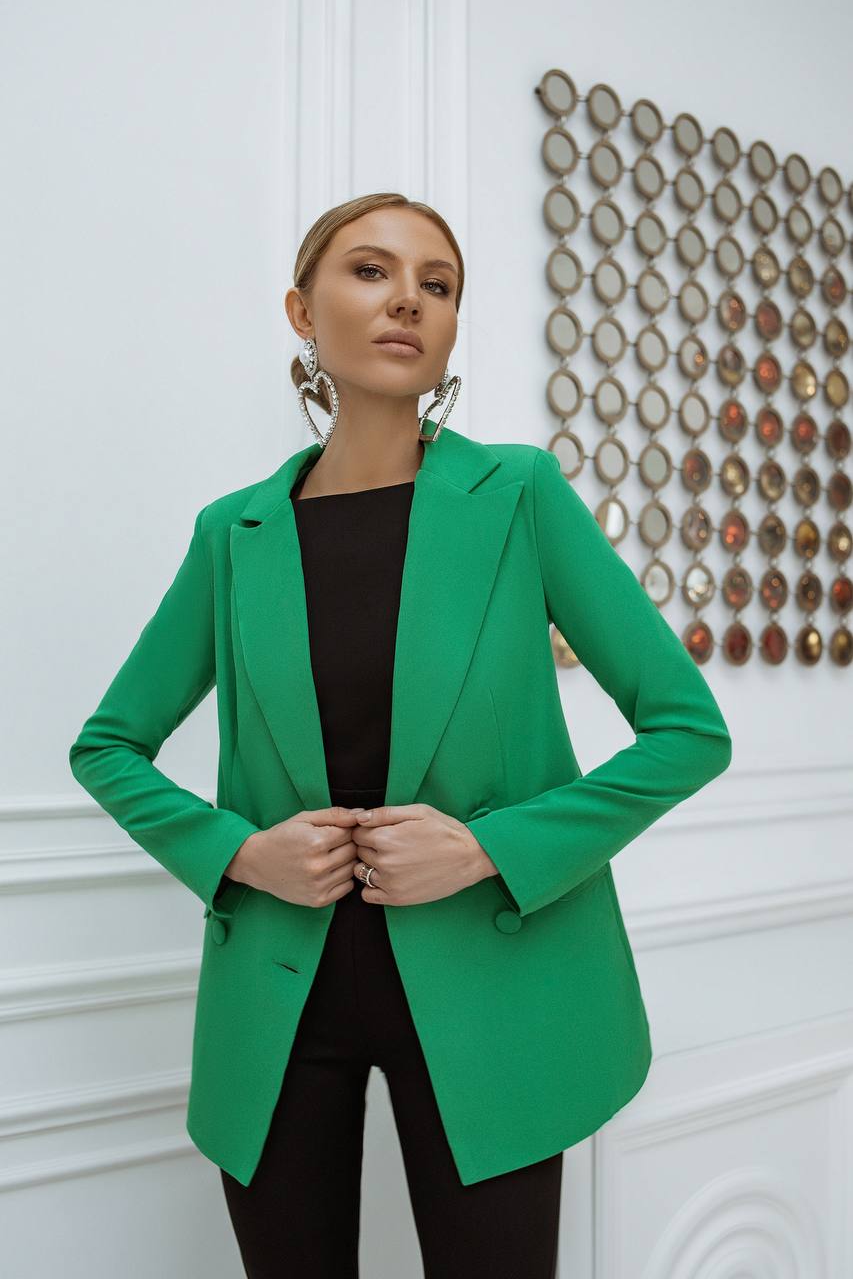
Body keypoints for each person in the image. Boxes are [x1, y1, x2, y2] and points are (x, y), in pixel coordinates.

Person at [69, 192, 732, 1278]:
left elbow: (686, 729)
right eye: (371, 271)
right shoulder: (234, 533)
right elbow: (107, 743)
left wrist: (484, 847)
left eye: (438, 284)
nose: (408, 302)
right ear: (301, 307)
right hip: (282, 995)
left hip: (493, 986)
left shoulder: (517, 492)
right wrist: (240, 850)